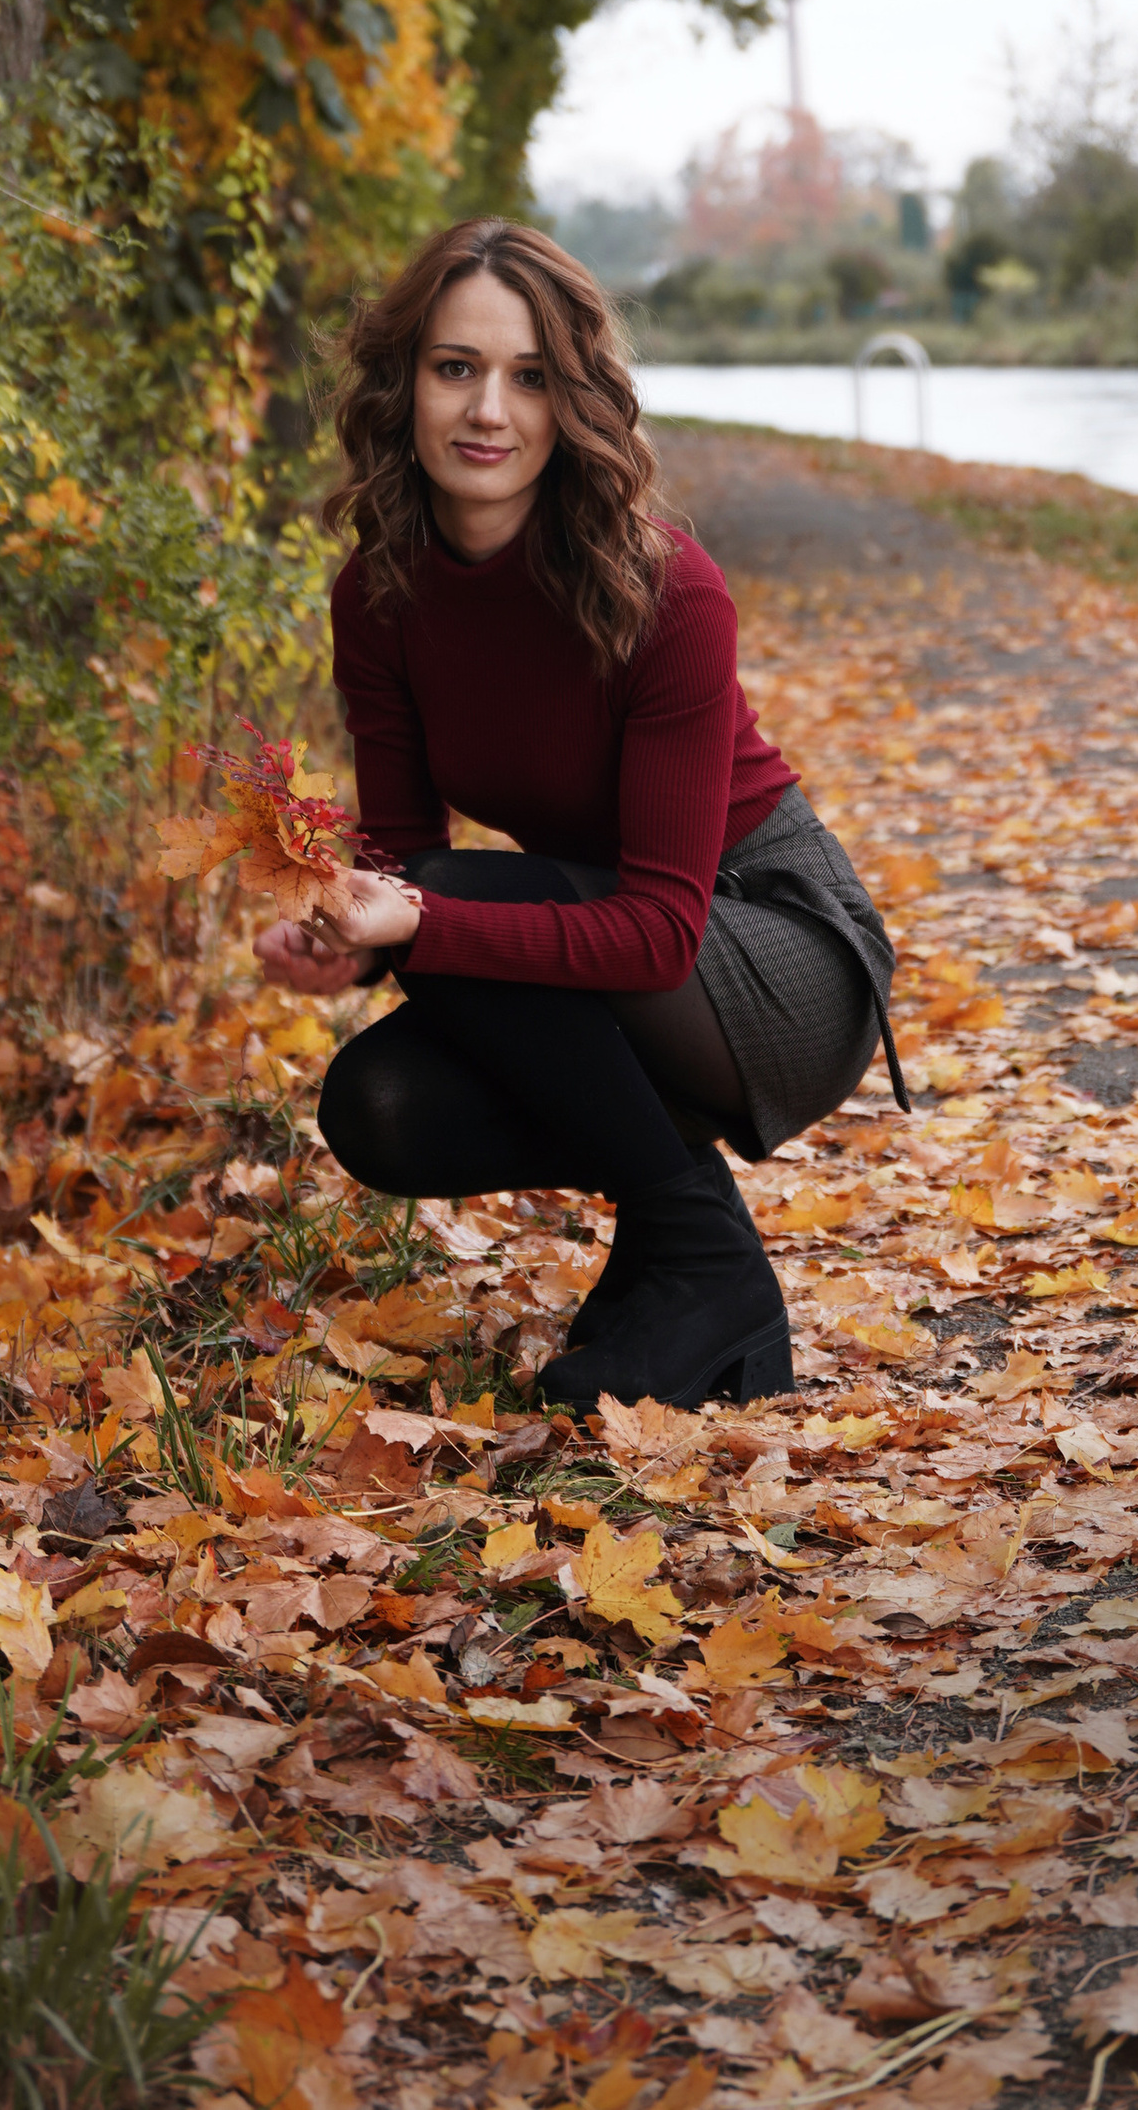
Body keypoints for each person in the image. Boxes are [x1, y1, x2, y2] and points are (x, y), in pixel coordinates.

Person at [255, 216, 907, 1411]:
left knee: (448, 904)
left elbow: (654, 931)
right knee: (378, 1106)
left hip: (773, 959)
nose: (487, 411)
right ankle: (687, 1257)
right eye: (456, 368)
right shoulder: (380, 593)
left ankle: (698, 1263)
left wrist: (414, 918)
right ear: (403, 384)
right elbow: (402, 859)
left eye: (530, 377)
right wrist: (344, 935)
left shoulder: (665, 591)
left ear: (575, 401)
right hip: (627, 969)